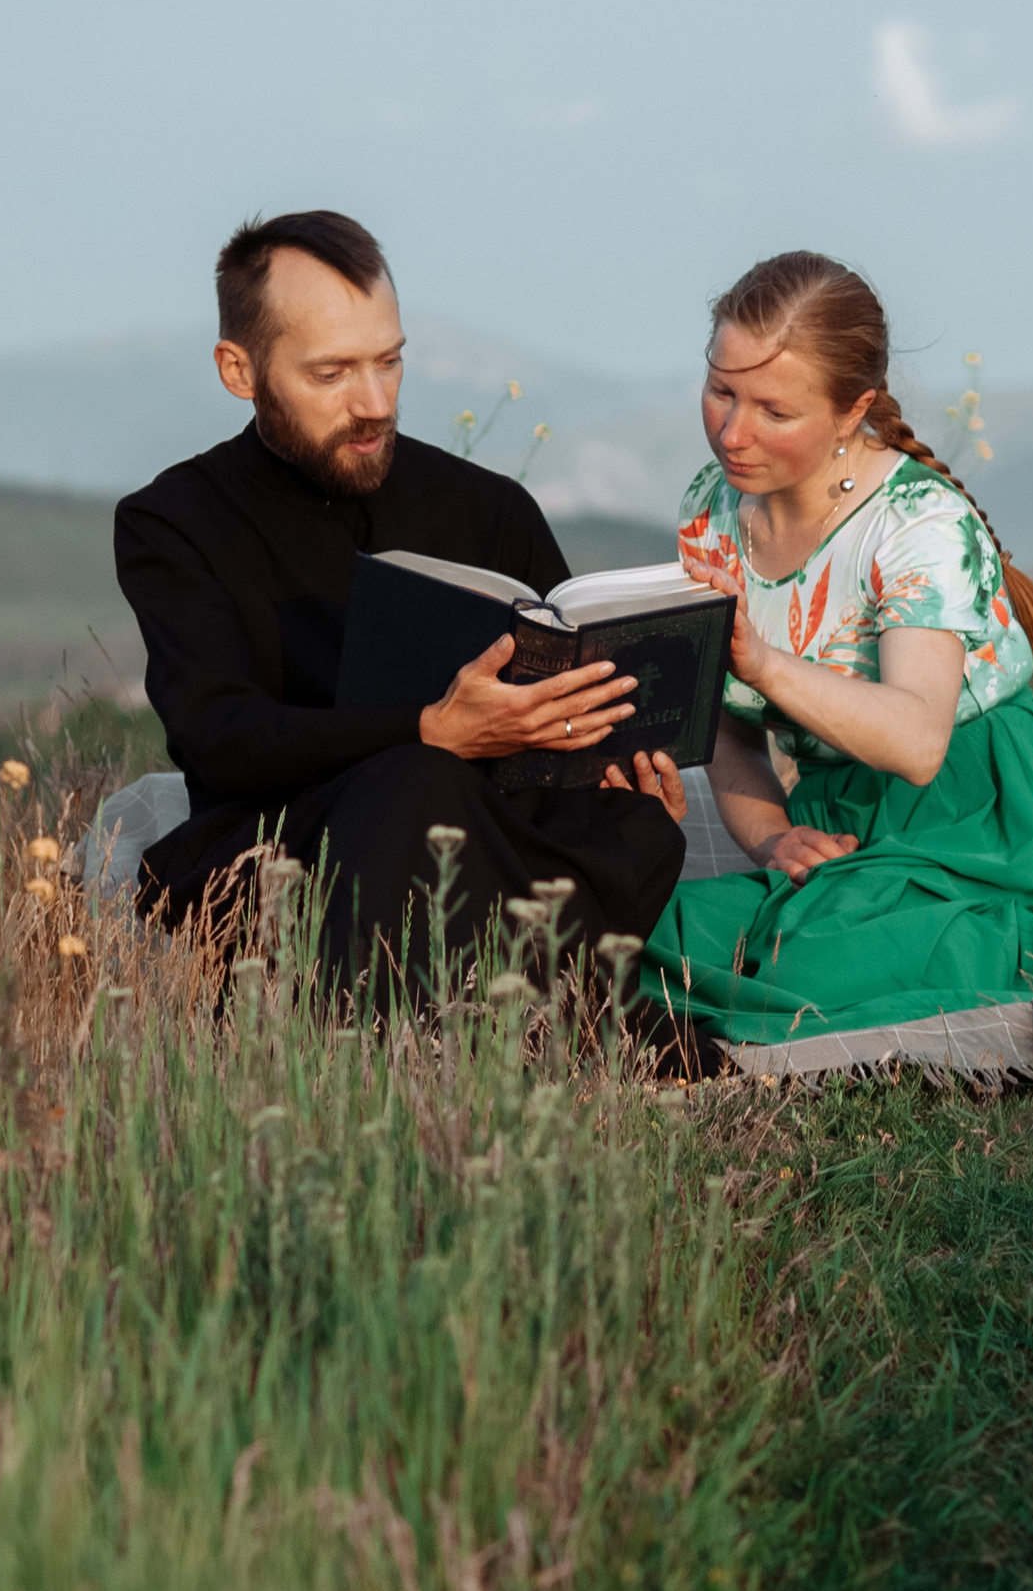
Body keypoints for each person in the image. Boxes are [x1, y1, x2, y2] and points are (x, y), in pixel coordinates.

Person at [642, 250, 1033, 1052]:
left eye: (774, 410)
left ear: (853, 413)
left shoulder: (916, 524)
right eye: (720, 391)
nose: (733, 432)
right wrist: (768, 835)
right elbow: (731, 722)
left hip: (979, 811)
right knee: (643, 929)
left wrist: (766, 663)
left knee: (801, 960)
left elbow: (916, 743)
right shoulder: (711, 510)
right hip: (839, 810)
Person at [115, 209, 687, 1003]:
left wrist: (611, 770)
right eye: (332, 373)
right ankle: (465, 1037)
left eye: (390, 362)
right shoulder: (173, 521)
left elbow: (556, 711)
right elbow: (219, 738)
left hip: (499, 834)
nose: (375, 401)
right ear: (238, 370)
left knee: (637, 827)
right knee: (420, 783)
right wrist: (431, 730)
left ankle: (496, 1026)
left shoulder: (490, 509)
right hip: (285, 845)